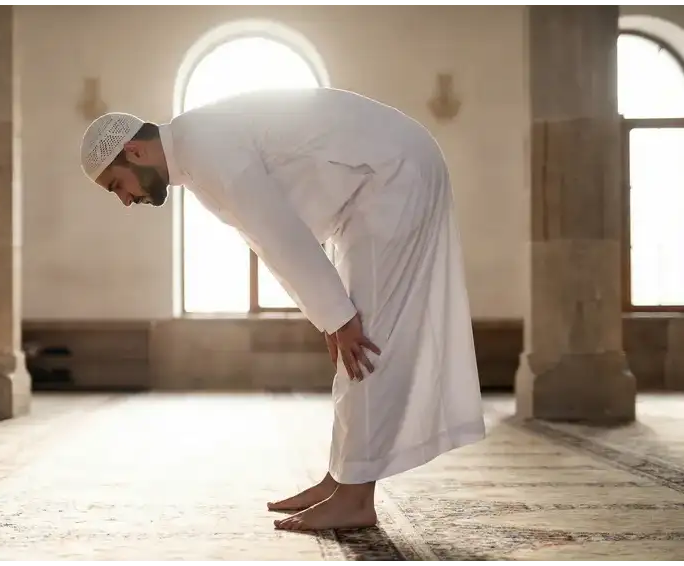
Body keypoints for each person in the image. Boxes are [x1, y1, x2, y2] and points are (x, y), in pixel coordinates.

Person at [79, 87, 486, 531]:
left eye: (117, 185)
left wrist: (337, 317)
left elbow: (278, 233)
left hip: (392, 173)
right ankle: (340, 480)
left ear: (134, 151)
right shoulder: (195, 151)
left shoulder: (202, 147)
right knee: (354, 338)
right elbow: (270, 240)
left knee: (365, 343)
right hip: (371, 185)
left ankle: (354, 499)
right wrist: (330, 317)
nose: (125, 200)